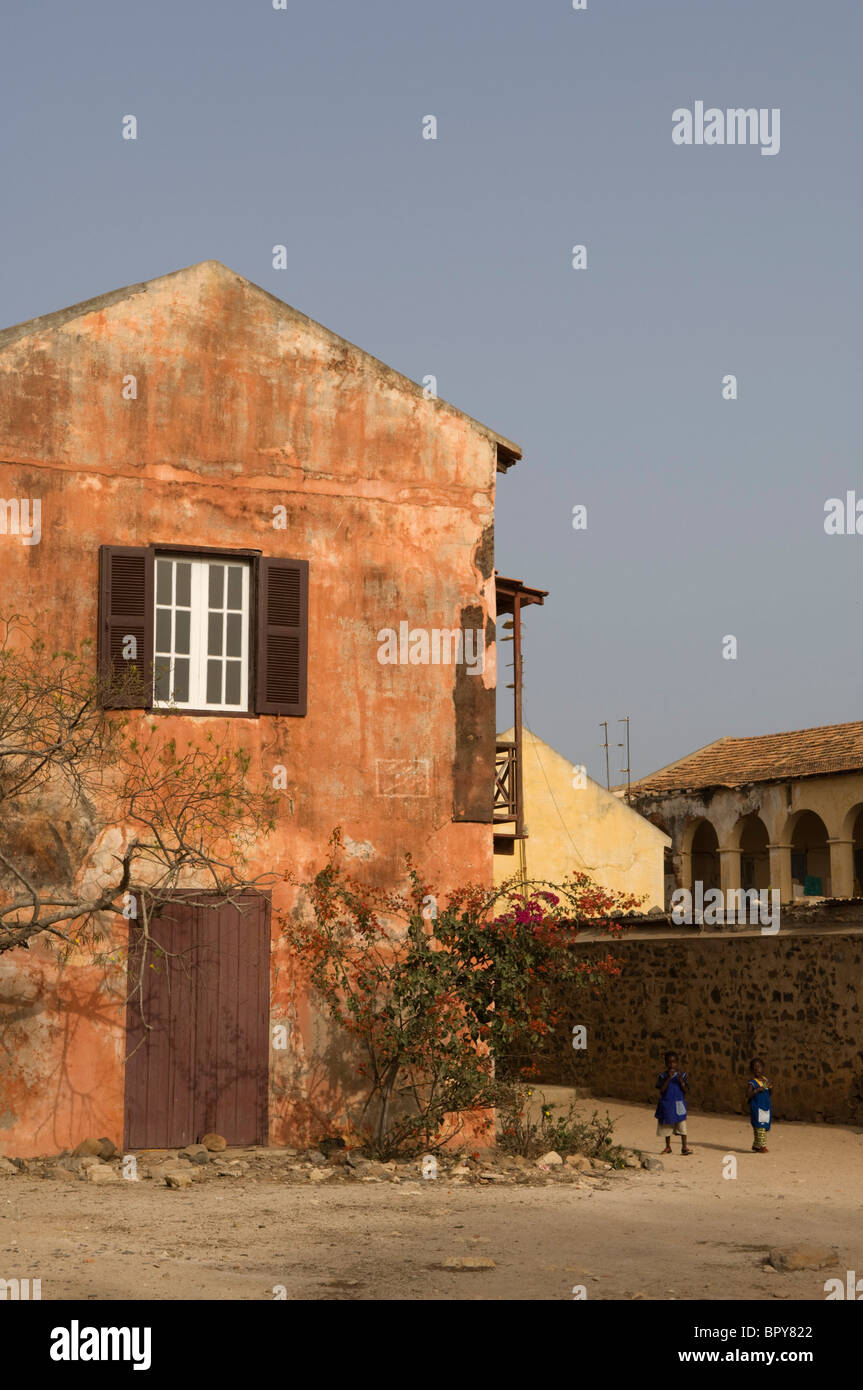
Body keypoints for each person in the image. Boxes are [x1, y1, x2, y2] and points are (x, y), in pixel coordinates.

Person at [654, 1050, 692, 1155]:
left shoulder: (682, 1075)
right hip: (667, 1104)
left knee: (682, 1126)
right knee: (667, 1125)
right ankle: (668, 1147)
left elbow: (686, 1090)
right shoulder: (663, 1076)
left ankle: (684, 1147)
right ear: (666, 1064)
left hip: (679, 1103)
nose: (672, 1065)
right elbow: (661, 1090)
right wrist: (668, 1078)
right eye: (669, 1062)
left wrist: (680, 1081)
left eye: (674, 1062)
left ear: (677, 1063)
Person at [746, 1058, 772, 1152]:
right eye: (754, 1067)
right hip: (757, 1107)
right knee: (759, 1127)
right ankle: (762, 1146)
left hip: (765, 1106)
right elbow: (748, 1094)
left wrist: (769, 1087)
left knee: (763, 1127)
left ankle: (756, 1145)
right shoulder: (752, 1083)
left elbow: (770, 1092)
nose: (757, 1069)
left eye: (759, 1067)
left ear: (763, 1068)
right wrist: (756, 1090)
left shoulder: (765, 1080)